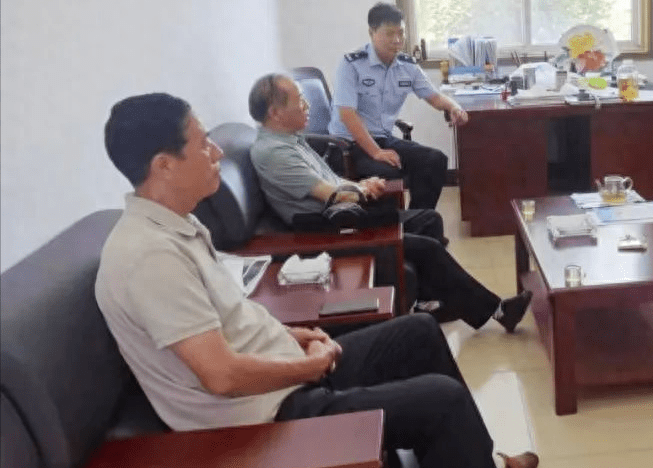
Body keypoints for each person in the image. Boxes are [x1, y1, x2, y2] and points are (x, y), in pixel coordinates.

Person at [95, 92, 538, 468]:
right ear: (164, 165)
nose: (217, 153)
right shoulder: (150, 257)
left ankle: (477, 458)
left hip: (281, 371)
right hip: (264, 411)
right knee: (442, 401)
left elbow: (227, 323)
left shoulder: (179, 226)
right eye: (202, 144)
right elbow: (221, 376)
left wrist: (293, 335)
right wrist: (308, 367)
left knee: (419, 332)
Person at [249, 73, 532, 332]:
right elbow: (332, 195)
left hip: (343, 213)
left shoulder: (290, 140)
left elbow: (333, 183)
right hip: (329, 228)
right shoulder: (276, 154)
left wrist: (360, 185)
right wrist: (363, 189)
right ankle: (498, 311)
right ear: (276, 113)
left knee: (429, 219)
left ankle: (429, 302)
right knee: (428, 247)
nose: (307, 105)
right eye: (299, 101)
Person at [328, 2, 467, 209]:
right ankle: (389, 227)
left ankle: (418, 221)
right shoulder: (351, 65)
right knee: (388, 172)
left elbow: (435, 97)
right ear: (372, 32)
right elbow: (347, 115)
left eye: (401, 33)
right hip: (348, 145)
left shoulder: (407, 66)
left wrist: (454, 107)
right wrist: (376, 152)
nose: (397, 40)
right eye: (389, 33)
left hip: (383, 138)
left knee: (434, 160)